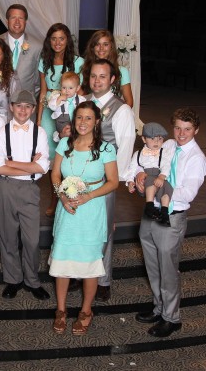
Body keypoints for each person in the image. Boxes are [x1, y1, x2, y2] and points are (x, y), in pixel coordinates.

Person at [135, 108, 206, 337]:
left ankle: (172, 317)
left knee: (168, 270)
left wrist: (155, 190)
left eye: (187, 129)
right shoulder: (167, 145)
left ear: (196, 130)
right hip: (151, 214)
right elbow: (147, 162)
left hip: (172, 218)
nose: (181, 133)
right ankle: (159, 308)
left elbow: (187, 193)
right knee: (152, 265)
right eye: (177, 128)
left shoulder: (196, 158)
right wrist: (138, 177)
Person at [49, 101, 118, 335]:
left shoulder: (106, 148)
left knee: (89, 263)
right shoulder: (65, 144)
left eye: (89, 118)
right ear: (73, 120)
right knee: (62, 261)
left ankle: (86, 311)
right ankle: (61, 310)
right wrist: (62, 198)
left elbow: (113, 182)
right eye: (79, 118)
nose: (83, 123)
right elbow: (56, 173)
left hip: (91, 210)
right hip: (67, 209)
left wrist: (89, 196)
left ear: (97, 121)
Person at [0, 90, 51, 301]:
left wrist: (12, 163)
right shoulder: (2, 132)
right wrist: (30, 166)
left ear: (34, 109)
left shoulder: (40, 133)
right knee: (8, 237)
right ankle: (13, 279)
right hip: (6, 187)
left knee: (31, 239)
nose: (23, 110)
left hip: (30, 189)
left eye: (27, 107)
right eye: (19, 106)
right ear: (11, 107)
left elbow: (43, 167)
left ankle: (32, 280)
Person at [85, 58, 136, 303]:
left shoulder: (121, 109)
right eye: (94, 76)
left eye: (102, 76)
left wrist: (117, 177)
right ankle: (81, 274)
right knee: (83, 226)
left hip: (106, 178)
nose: (97, 80)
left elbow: (125, 146)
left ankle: (102, 280)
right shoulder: (83, 102)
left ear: (113, 80)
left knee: (104, 230)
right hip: (82, 177)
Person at [37, 23, 84, 159]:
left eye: (61, 38)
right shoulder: (44, 61)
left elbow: (80, 91)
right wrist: (39, 119)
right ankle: (52, 173)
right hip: (50, 106)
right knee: (47, 140)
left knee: (69, 139)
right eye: (53, 38)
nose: (57, 43)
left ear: (67, 40)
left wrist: (74, 113)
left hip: (70, 108)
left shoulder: (79, 62)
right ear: (49, 41)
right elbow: (43, 91)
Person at [123, 122, 174, 225]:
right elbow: (132, 169)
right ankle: (149, 206)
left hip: (159, 177)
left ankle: (165, 213)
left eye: (160, 139)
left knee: (168, 188)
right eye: (152, 139)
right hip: (146, 181)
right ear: (144, 139)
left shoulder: (164, 152)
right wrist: (130, 182)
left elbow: (166, 165)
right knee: (151, 181)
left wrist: (162, 176)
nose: (156, 142)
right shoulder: (138, 154)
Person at [81, 30, 133, 108]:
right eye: (97, 44)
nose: (101, 48)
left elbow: (129, 102)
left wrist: (119, 113)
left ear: (111, 46)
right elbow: (81, 98)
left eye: (105, 44)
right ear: (92, 47)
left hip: (113, 112)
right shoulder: (85, 69)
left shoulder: (122, 71)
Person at [0, 4, 41, 95]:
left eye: (21, 18)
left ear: (25, 22)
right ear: (7, 21)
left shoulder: (38, 46)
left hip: (26, 103)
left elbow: (38, 81)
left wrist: (28, 100)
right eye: (13, 18)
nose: (17, 22)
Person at [47, 71, 86, 143]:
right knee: (65, 140)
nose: (67, 91)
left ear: (77, 88)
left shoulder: (81, 99)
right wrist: (59, 100)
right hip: (62, 124)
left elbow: (86, 111)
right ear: (60, 87)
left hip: (76, 124)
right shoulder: (57, 97)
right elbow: (51, 106)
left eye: (70, 88)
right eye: (64, 87)